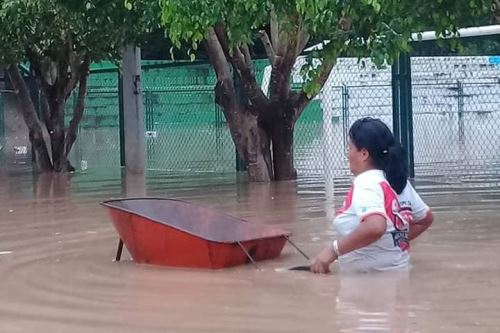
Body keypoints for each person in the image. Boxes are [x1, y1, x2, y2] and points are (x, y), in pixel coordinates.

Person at [311, 117, 433, 274]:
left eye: (349, 148)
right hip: (399, 278)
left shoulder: (366, 182)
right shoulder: (399, 182)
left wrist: (332, 251)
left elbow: (375, 226)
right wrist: (390, 244)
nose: (347, 155)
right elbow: (425, 219)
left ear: (363, 154)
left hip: (366, 286)